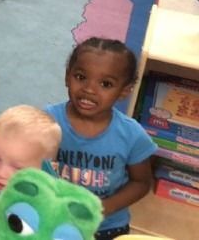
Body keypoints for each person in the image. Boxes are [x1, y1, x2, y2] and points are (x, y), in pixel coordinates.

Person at [47, 38, 157, 240]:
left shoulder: (132, 135)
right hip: (55, 219)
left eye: (106, 84)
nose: (89, 89)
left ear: (125, 90)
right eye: (80, 77)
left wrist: (104, 208)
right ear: (67, 76)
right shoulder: (46, 122)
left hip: (106, 227)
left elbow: (141, 182)